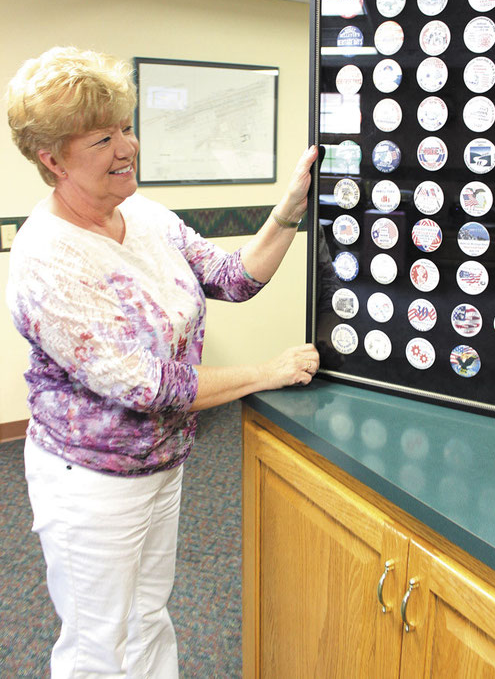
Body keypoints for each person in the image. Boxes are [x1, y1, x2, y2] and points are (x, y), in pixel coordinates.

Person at [5, 45, 319, 678]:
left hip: (163, 463)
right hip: (90, 481)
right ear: (51, 158)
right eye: (101, 138)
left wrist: (288, 211)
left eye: (126, 127)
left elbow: (234, 279)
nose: (127, 148)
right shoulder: (48, 258)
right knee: (98, 644)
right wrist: (271, 371)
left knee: (149, 617)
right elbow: (150, 386)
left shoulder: (143, 216)